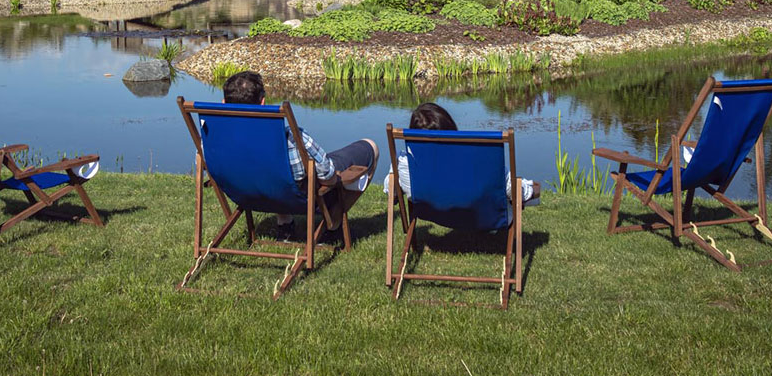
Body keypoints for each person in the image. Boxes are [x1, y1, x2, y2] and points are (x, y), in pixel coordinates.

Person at [222, 70, 378, 240]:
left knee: (274, 173)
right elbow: (328, 176)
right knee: (370, 147)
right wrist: (332, 183)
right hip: (294, 197)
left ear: (223, 103)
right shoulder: (289, 138)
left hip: (244, 195)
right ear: (262, 102)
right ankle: (333, 223)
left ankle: (285, 224)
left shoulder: (213, 139)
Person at [386, 102, 539, 206]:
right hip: (480, 216)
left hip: (431, 212)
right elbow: (514, 191)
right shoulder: (480, 160)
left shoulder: (403, 164)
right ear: (451, 129)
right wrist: (531, 190)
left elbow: (390, 189)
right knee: (510, 192)